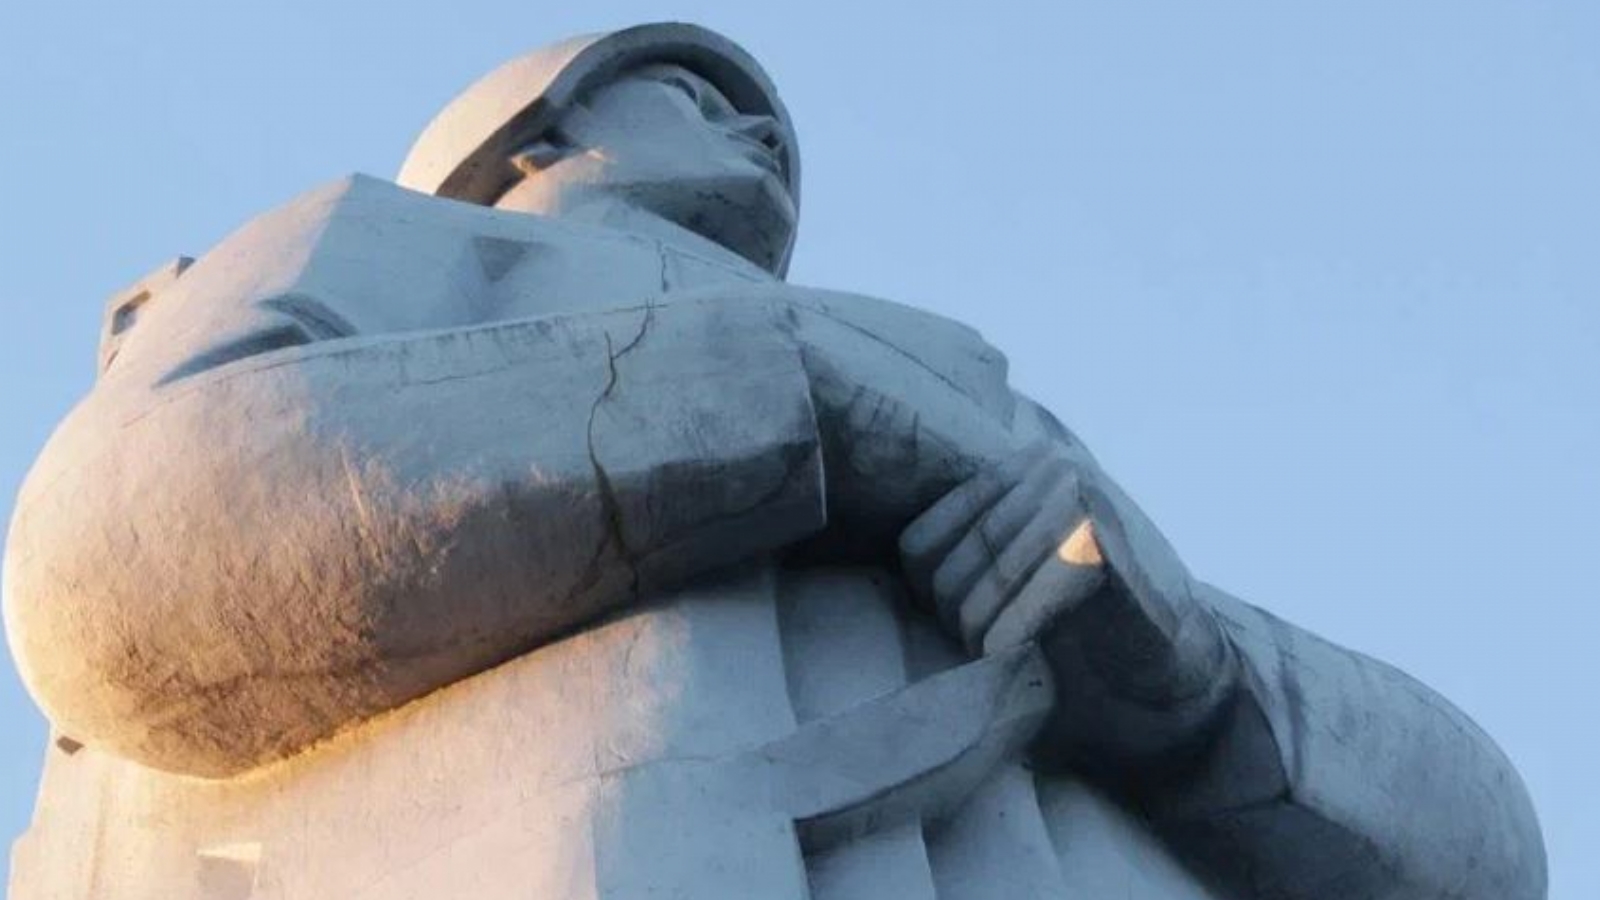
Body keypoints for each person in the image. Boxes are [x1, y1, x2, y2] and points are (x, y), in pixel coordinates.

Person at [4, 23, 1544, 900]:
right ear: (525, 143)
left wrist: (1193, 673)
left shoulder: (965, 387)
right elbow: (113, 559)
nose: (765, 138)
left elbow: (1490, 862)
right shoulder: (385, 244)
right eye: (692, 94)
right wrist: (778, 398)